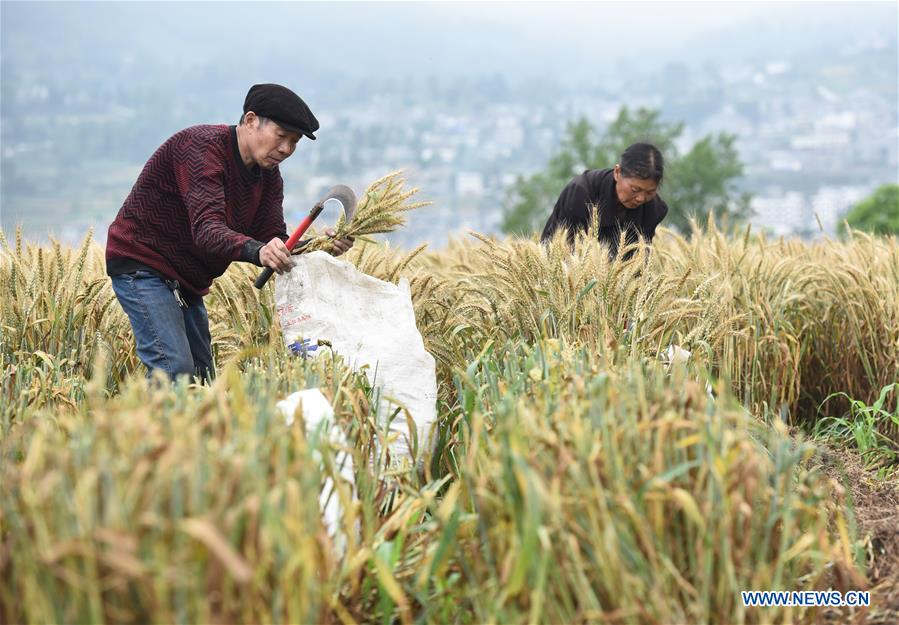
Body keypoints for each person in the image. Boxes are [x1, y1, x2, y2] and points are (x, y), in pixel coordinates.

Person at [106, 83, 353, 382]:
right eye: (281, 136)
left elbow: (274, 239)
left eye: (295, 141)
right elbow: (208, 231)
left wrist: (320, 246)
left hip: (186, 281)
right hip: (142, 264)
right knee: (174, 371)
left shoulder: (269, 176)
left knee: (201, 379)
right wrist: (258, 251)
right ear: (250, 121)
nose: (287, 149)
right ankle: (148, 430)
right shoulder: (200, 149)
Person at [540, 142, 669, 259]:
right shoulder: (580, 193)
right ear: (617, 172)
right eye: (635, 189)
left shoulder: (654, 210)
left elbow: (638, 263)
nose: (641, 198)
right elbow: (559, 252)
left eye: (650, 192)